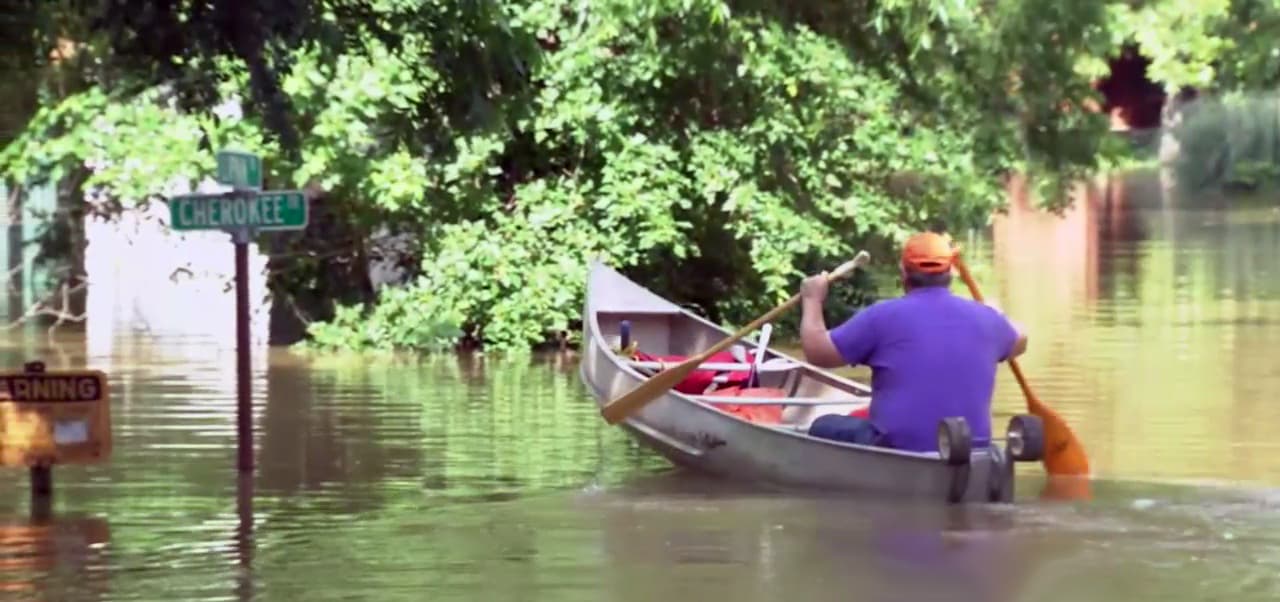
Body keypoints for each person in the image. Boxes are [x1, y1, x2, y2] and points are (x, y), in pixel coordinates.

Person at [797, 232, 1028, 452]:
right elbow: (1021, 339)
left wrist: (812, 299)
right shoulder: (987, 319)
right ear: (950, 273)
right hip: (967, 452)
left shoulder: (881, 316)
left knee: (822, 425)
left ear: (903, 272)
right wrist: (997, 314)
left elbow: (817, 352)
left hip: (896, 450)